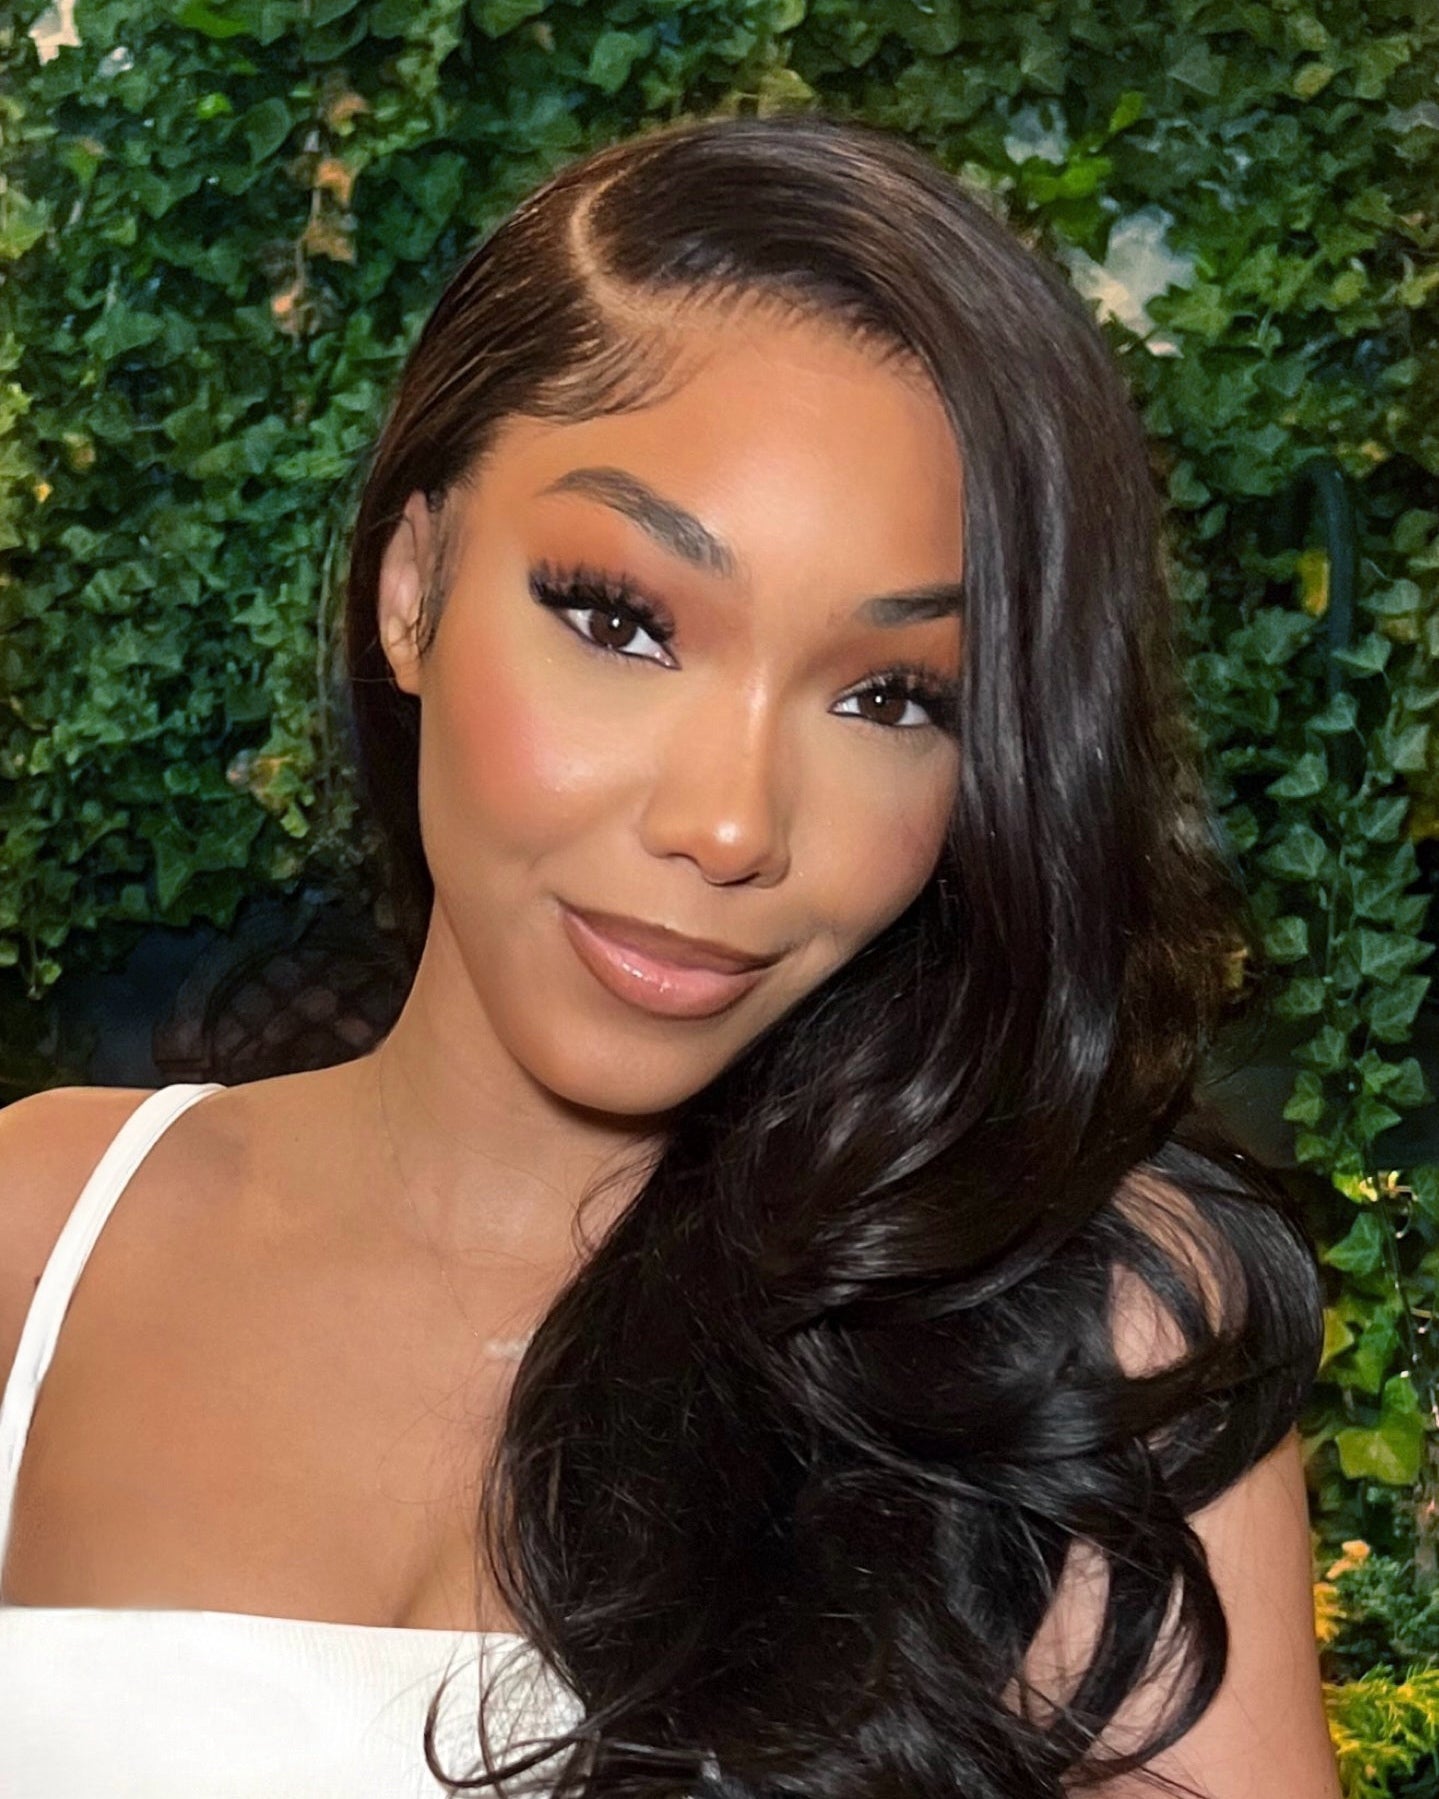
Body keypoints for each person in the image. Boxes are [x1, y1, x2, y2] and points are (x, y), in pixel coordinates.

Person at [0, 110, 1340, 1799]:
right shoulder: (38, 1241)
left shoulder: (1074, 1334)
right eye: (624, 620)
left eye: (890, 697)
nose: (729, 822)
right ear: (413, 587)